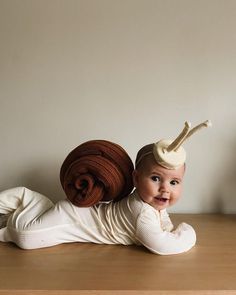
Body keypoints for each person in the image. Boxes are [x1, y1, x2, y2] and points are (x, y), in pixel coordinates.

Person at [0, 120, 211, 254]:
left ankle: (25, 203)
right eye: (156, 179)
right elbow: (163, 245)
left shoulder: (152, 205)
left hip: (73, 214)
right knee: (24, 236)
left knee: (31, 214)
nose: (165, 189)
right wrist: (187, 232)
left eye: (174, 182)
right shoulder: (141, 213)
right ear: (136, 179)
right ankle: (17, 208)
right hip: (71, 219)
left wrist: (168, 228)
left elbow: (163, 224)